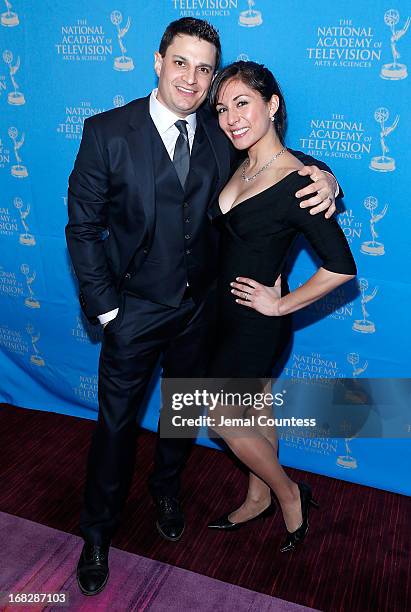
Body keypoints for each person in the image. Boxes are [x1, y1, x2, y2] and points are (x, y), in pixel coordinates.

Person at [66, 18, 340, 595]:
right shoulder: (106, 132)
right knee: (116, 426)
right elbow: (83, 228)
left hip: (202, 312)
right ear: (158, 61)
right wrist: (108, 311)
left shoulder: (220, 130)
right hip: (133, 312)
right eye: (181, 63)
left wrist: (327, 176)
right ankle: (96, 532)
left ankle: (167, 491)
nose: (192, 79)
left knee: (182, 417)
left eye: (205, 68)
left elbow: (275, 160)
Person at [205, 61, 357, 552]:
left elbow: (340, 267)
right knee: (254, 410)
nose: (231, 117)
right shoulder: (238, 160)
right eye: (223, 108)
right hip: (221, 315)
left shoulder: (298, 183)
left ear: (272, 106)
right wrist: (330, 175)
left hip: (257, 321)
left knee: (219, 416)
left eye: (242, 103)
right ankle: (256, 497)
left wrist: (282, 304)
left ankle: (289, 492)